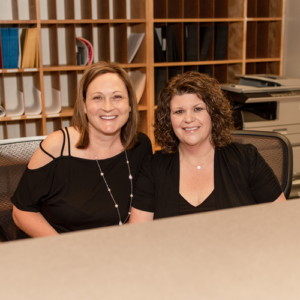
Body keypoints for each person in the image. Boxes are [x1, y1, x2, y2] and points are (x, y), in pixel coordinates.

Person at [11, 61, 152, 238]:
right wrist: (67, 250)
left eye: (117, 97)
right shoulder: (56, 147)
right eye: (97, 97)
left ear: (130, 104)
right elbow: (21, 212)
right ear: (84, 106)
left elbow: (142, 209)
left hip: (110, 250)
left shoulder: (141, 146)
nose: (108, 107)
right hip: (55, 249)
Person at [129, 71, 286, 223]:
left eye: (198, 109)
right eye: (179, 111)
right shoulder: (153, 168)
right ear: (169, 120)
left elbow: (283, 220)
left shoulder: (247, 159)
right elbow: (137, 236)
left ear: (213, 113)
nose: (188, 119)